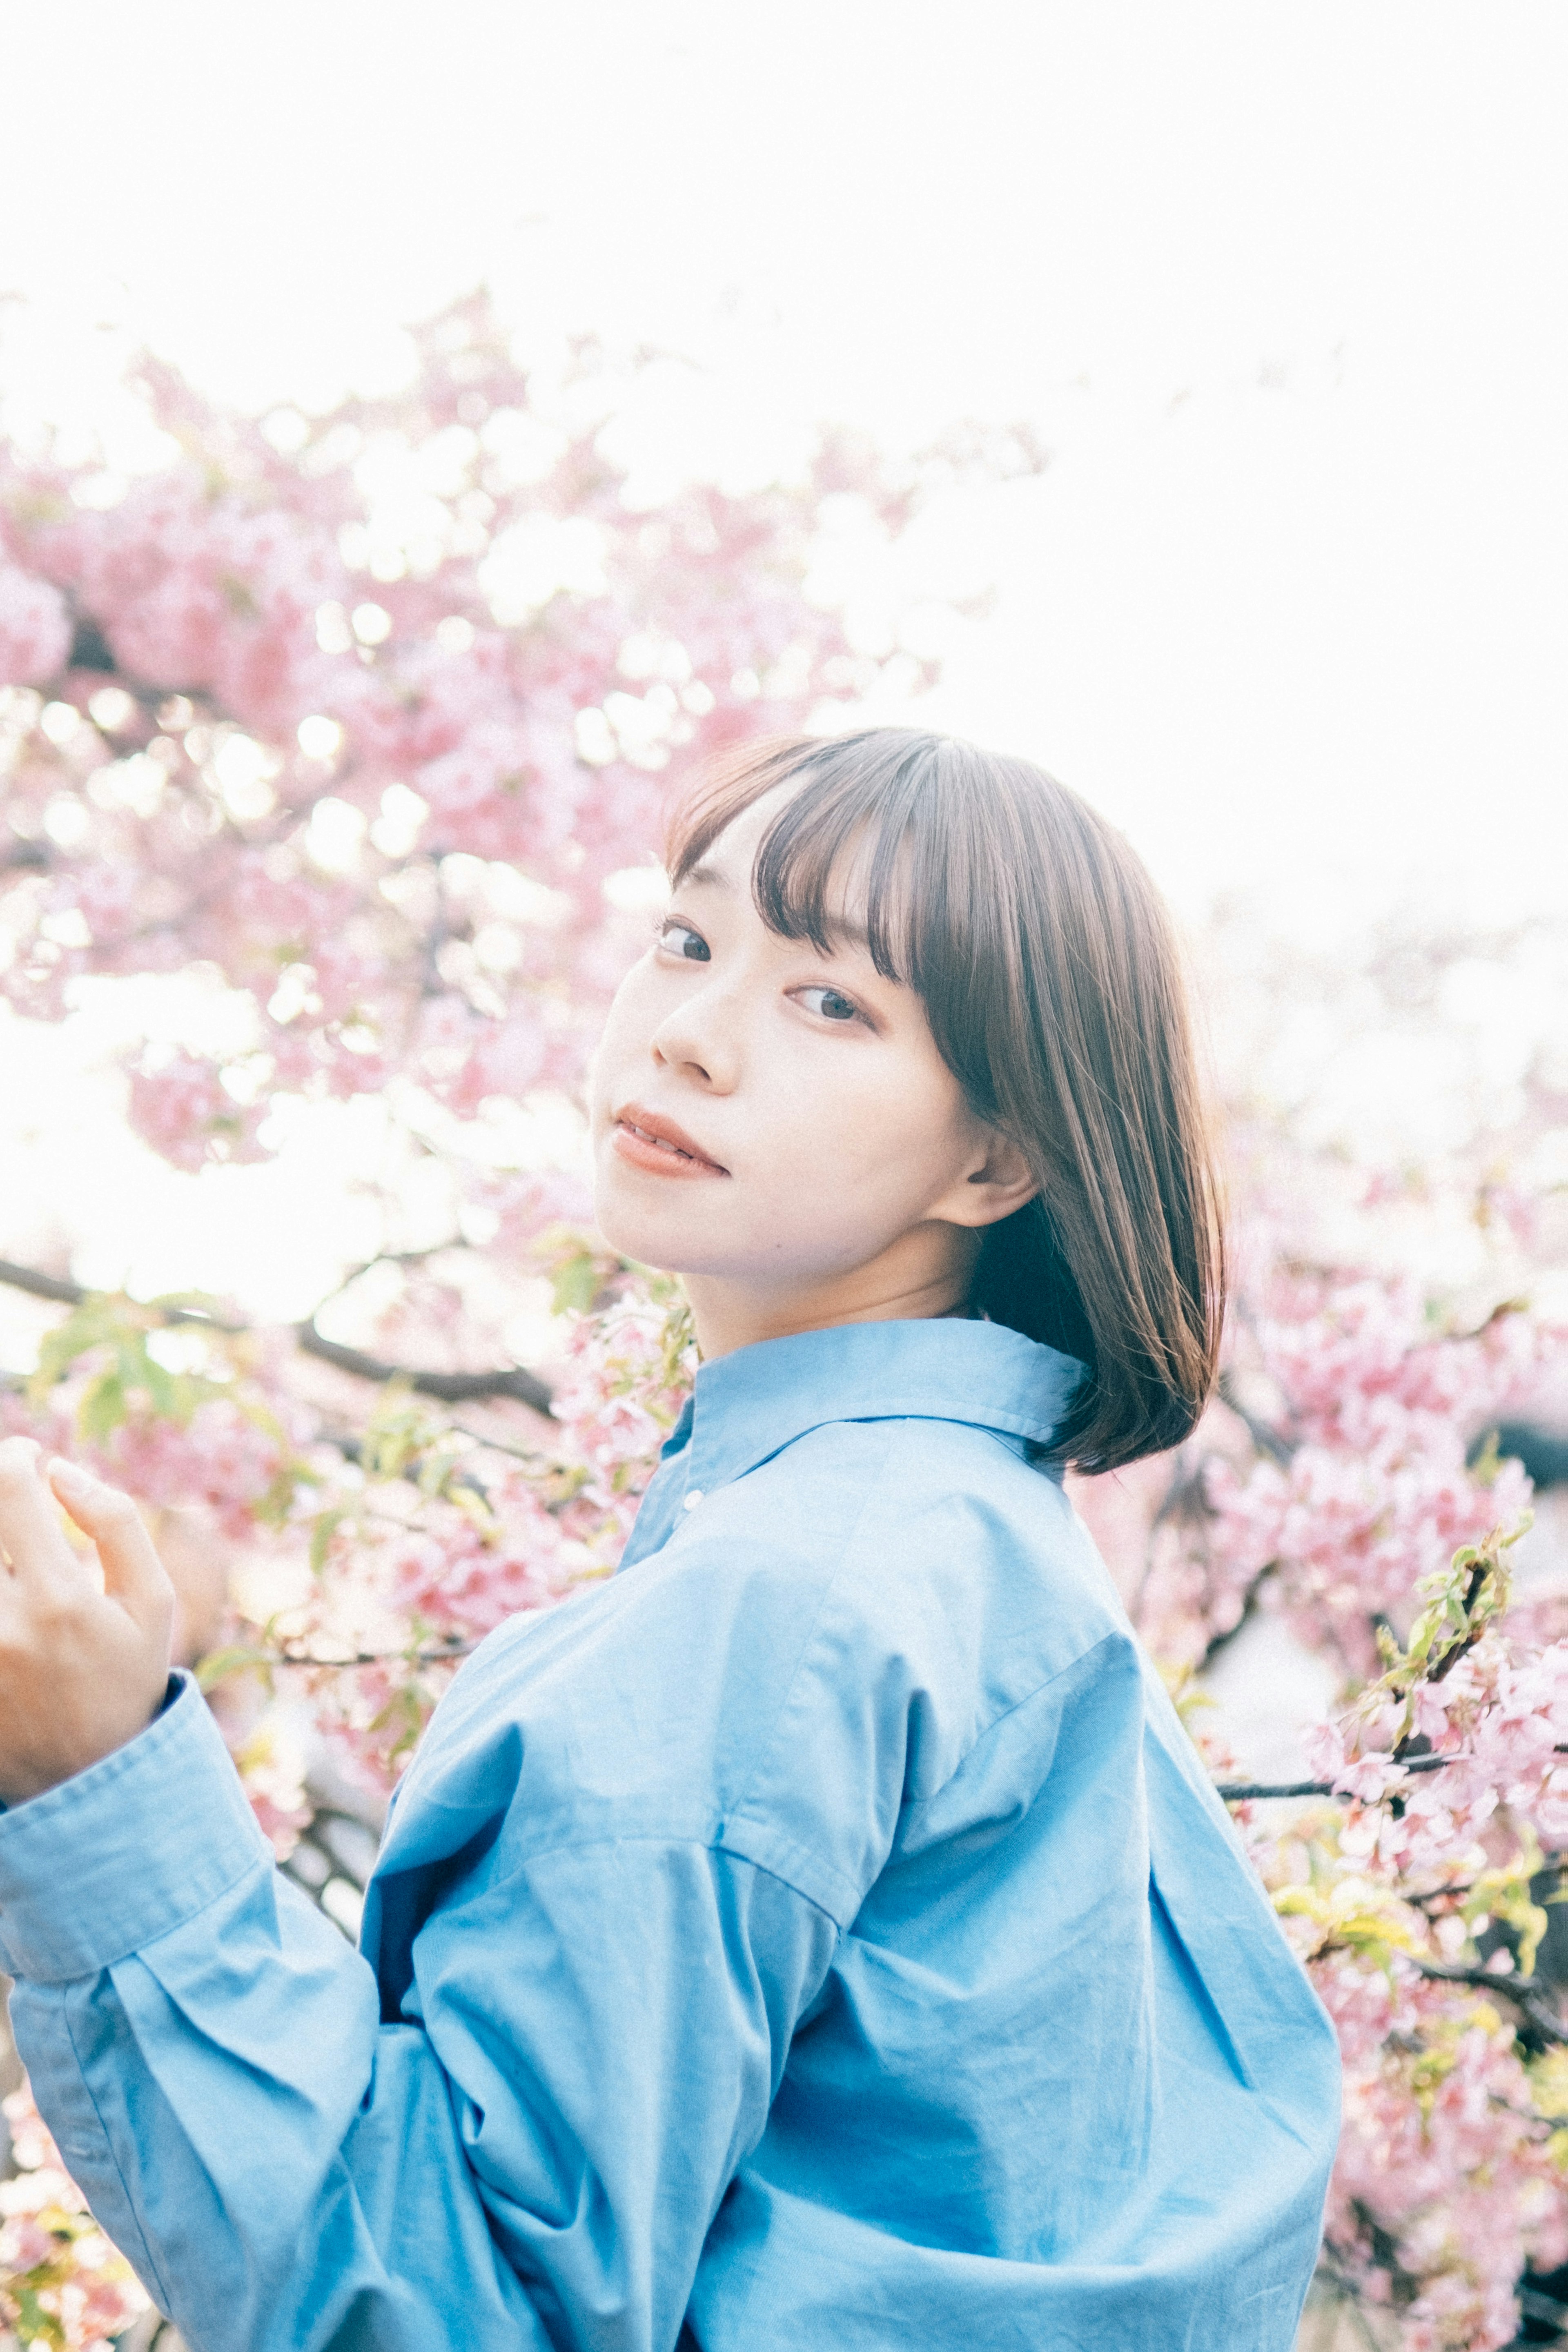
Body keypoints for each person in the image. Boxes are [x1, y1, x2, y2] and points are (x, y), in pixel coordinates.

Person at [0, 729, 1339, 2352]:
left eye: (832, 1001)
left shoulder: (793, 1597)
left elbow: (448, 2315)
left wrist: (96, 1790)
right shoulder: (981, 1559)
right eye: (690, 941)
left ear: (997, 1158)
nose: (694, 1036)